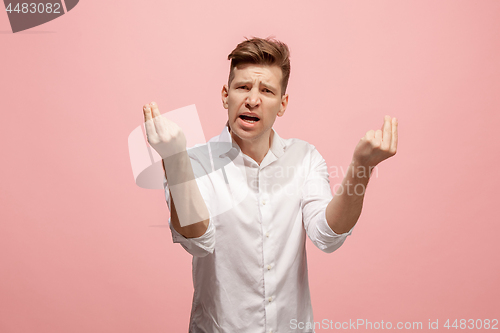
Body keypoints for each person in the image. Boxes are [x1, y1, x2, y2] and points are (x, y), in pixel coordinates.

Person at [142, 37, 398, 333]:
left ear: (282, 104)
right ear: (226, 95)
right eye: (242, 87)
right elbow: (198, 241)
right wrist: (175, 161)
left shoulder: (305, 158)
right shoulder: (193, 163)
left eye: (266, 90)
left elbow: (328, 237)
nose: (252, 99)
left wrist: (362, 168)